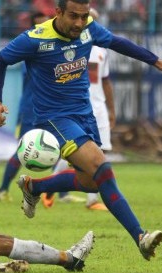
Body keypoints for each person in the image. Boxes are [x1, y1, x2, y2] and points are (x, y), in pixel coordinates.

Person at [0, 0, 162, 261]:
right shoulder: (36, 38)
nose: (79, 23)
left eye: (83, 16)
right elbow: (0, 59)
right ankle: (141, 236)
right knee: (102, 169)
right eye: (73, 16)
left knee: (91, 181)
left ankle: (34, 187)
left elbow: (117, 42)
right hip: (55, 119)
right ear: (57, 12)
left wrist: (156, 61)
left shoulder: (88, 28)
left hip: (85, 115)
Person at [0, 11, 82, 205]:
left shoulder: (52, 46)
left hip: (51, 109)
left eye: (47, 24)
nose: (45, 29)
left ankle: (59, 194)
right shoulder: (32, 51)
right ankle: (2, 189)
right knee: (24, 151)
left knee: (63, 148)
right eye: (40, 26)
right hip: (32, 110)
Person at [41, 8, 113, 211]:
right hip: (78, 108)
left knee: (99, 154)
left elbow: (105, 81)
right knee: (88, 156)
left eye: (89, 20)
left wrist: (111, 108)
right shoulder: (71, 46)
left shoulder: (102, 51)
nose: (83, 25)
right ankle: (90, 199)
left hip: (99, 106)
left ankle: (53, 186)